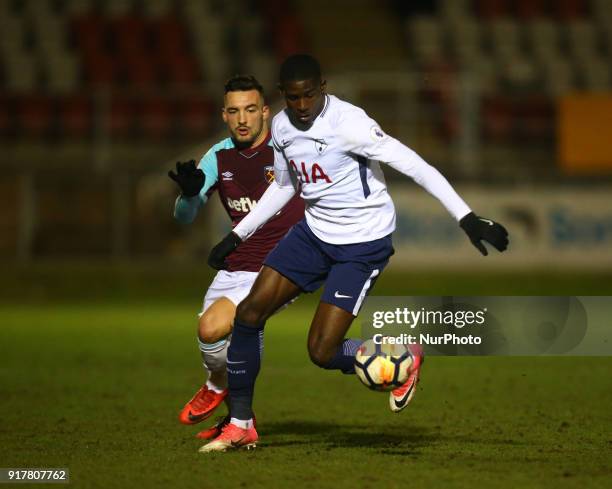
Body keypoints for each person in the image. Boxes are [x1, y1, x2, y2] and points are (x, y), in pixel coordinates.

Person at [200, 55, 509, 452]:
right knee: (249, 313)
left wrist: (466, 217)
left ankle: (402, 358)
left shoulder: (351, 124)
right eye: (293, 98)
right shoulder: (280, 125)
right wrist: (238, 236)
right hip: (312, 235)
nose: (302, 105)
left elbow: (414, 165)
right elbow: (285, 185)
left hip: (362, 244)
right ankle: (241, 424)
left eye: (310, 95)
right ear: (283, 96)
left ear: (322, 87)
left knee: (322, 351)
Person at [168, 74, 304, 439]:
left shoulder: (288, 148)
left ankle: (222, 397)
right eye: (234, 111)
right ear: (224, 115)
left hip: (278, 267)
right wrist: (189, 195)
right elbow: (185, 217)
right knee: (211, 336)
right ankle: (234, 412)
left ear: (264, 111)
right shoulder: (218, 155)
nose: (242, 119)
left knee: (227, 326)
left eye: (249, 110)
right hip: (234, 265)